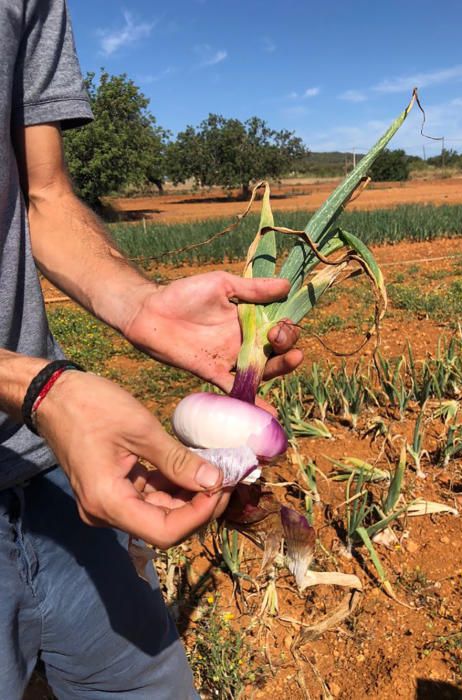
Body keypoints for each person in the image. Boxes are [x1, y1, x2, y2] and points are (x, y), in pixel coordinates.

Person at [0, 1, 302, 698]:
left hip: (48, 467)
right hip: (47, 409)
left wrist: (140, 304)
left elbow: (43, 195)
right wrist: (36, 388)